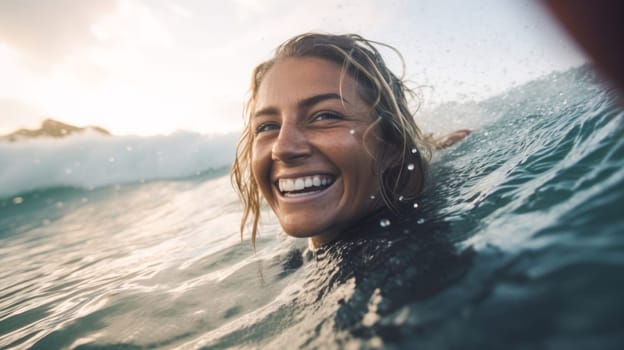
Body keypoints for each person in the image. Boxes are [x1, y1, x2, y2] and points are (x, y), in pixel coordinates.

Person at [231, 33, 468, 249]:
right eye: (267, 126)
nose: (282, 148)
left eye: (325, 116)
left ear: (391, 146)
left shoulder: (411, 257)